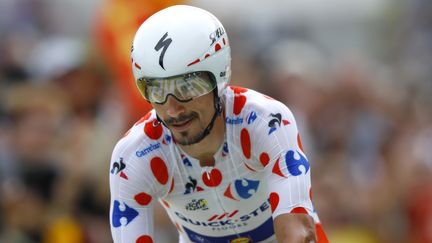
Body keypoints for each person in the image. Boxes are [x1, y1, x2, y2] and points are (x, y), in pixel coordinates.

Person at [109, 5, 329, 243]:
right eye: (156, 89)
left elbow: (297, 233)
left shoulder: (266, 122)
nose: (172, 109)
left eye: (187, 87)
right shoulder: (134, 156)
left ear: (218, 77)